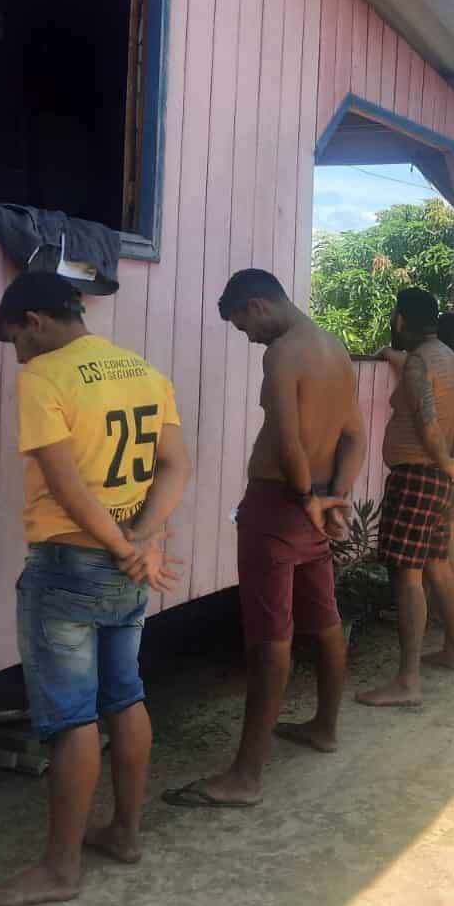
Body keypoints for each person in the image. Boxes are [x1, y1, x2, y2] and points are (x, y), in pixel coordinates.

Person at [0, 271, 190, 906]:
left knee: (72, 720)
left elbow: (68, 488)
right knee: (125, 695)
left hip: (70, 568)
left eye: (13, 336)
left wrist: (127, 549)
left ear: (36, 321)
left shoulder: (43, 377)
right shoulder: (142, 371)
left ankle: (60, 870)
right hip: (127, 571)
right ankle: (124, 833)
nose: (14, 351)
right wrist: (142, 542)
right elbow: (177, 464)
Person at [164, 269, 365, 809]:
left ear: (257, 306)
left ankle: (245, 776)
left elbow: (289, 440)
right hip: (317, 503)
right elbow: (355, 437)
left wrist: (303, 497)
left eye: (242, 326)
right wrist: (333, 497)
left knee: (268, 638)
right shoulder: (334, 349)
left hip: (281, 505)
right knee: (323, 619)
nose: (247, 337)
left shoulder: (281, 355)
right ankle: (324, 725)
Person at [357, 288, 454, 707]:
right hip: (437, 480)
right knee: (436, 561)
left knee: (406, 575)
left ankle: (408, 681)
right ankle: (453, 650)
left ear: (398, 319)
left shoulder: (418, 363)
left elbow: (427, 421)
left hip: (415, 477)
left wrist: (447, 461)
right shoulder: (446, 357)